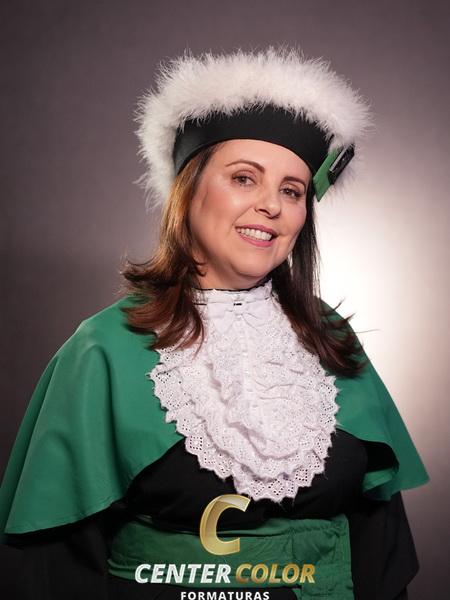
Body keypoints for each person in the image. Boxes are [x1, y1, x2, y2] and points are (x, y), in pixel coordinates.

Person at [0, 46, 429, 600]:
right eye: (244, 178)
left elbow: (381, 546)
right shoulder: (104, 348)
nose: (272, 206)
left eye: (292, 190)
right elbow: (57, 565)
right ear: (189, 189)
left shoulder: (330, 339)